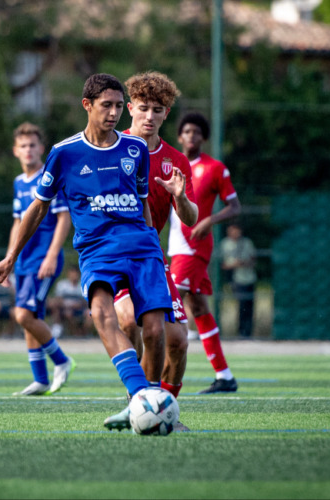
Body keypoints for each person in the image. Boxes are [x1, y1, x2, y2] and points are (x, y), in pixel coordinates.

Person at [0, 74, 170, 418]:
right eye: (107, 105)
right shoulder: (64, 153)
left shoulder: (136, 149)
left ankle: (153, 406)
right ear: (87, 105)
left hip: (141, 247)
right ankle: (143, 400)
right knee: (102, 314)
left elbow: (143, 203)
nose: (114, 113)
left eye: (118, 106)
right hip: (97, 249)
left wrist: (156, 248)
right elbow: (38, 207)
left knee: (156, 331)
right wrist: (10, 258)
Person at [104, 71, 198, 432]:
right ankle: (138, 400)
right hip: (115, 255)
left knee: (178, 341)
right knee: (128, 321)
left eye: (157, 109)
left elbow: (189, 219)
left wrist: (180, 195)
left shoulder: (176, 161)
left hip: (151, 257)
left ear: (166, 113)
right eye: (142, 108)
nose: (149, 116)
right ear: (130, 108)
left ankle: (165, 409)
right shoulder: (110, 150)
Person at [0, 121, 75, 396]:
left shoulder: (49, 175)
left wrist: (53, 255)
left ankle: (62, 361)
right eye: (23, 146)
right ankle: (40, 379)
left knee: (23, 315)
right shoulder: (19, 182)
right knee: (31, 316)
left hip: (43, 258)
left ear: (41, 148)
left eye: (33, 145)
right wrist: (9, 260)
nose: (28, 150)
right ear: (15, 151)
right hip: (23, 260)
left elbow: (64, 218)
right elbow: (17, 224)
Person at [169, 112, 242, 394]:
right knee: (198, 308)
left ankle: (155, 379)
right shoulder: (172, 165)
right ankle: (224, 376)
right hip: (176, 246)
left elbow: (235, 207)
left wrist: (209, 220)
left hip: (194, 247)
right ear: (180, 136)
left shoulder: (215, 168)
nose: (191, 135)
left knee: (167, 301)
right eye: (187, 131)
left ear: (204, 137)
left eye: (197, 132)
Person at [220, 223, 257, 338]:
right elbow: (220, 264)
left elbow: (253, 260)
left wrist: (243, 263)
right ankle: (239, 332)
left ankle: (247, 332)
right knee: (241, 305)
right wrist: (233, 265)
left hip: (249, 278)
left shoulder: (247, 243)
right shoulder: (224, 244)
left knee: (249, 306)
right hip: (235, 279)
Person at [49, 265, 92, 338]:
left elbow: (85, 301)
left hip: (79, 309)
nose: (74, 275)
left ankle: (81, 333)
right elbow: (58, 299)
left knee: (90, 314)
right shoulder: (62, 285)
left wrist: (79, 304)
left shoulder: (82, 285)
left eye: (75, 273)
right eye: (72, 273)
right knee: (59, 308)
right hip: (64, 308)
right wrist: (68, 305)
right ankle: (57, 327)